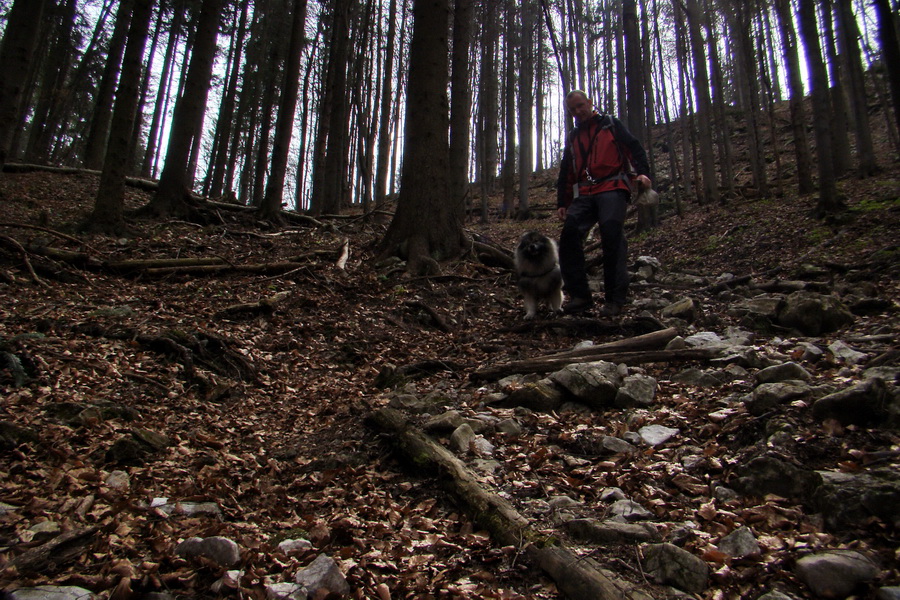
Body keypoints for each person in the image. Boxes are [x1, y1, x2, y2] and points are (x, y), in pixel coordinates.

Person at [556, 90, 652, 317]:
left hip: (613, 187)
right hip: (585, 193)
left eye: (581, 106)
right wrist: (563, 201)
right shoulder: (573, 136)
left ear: (589, 102)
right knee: (569, 235)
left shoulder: (611, 124)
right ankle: (580, 296)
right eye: (573, 110)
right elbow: (567, 170)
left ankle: (615, 299)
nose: (578, 112)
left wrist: (643, 174)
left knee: (611, 234)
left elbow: (634, 148)